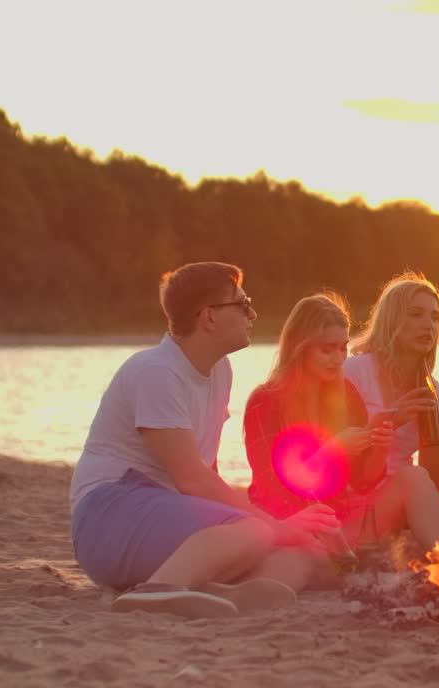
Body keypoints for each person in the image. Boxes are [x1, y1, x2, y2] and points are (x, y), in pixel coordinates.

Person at [69, 262, 339, 618]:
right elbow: (191, 478)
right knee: (257, 531)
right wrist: (273, 526)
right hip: (108, 514)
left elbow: (206, 475)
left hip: (163, 516)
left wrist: (284, 530)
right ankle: (157, 590)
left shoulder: (218, 371)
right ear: (209, 318)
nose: (253, 314)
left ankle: (232, 593)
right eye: (243, 305)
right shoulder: (156, 371)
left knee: (300, 550)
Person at [243, 293, 439, 579]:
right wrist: (331, 451)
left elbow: (363, 480)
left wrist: (379, 445)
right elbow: (272, 486)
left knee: (414, 477)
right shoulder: (266, 400)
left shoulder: (346, 394)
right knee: (291, 566)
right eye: (327, 349)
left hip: (349, 523)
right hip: (298, 524)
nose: (338, 359)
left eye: (343, 348)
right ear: (300, 348)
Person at [343, 272, 439, 495]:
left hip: (403, 496)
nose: (428, 325)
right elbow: (334, 449)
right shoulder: (354, 371)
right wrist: (393, 419)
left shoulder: (432, 389)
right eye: (415, 314)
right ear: (391, 319)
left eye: (435, 317)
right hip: (354, 493)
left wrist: (429, 428)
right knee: (413, 478)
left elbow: (438, 485)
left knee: (414, 476)